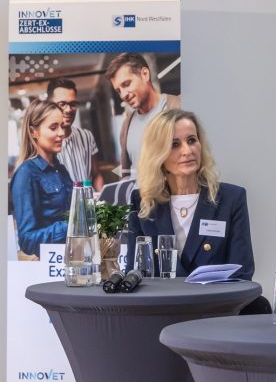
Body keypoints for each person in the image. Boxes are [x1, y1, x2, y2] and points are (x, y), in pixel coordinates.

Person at [125, 109, 254, 281]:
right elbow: (134, 274)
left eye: (192, 140)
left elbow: (242, 274)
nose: (187, 151)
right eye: (175, 144)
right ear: (158, 154)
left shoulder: (231, 198)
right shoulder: (142, 202)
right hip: (159, 306)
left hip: (215, 305)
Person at [10, 100, 73, 259]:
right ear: (33, 132)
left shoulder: (61, 169)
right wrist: (72, 226)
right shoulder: (26, 174)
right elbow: (27, 240)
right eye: (53, 127)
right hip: (50, 266)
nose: (61, 133)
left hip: (71, 258)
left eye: (62, 126)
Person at [106, 53, 181, 180]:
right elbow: (125, 173)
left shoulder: (178, 107)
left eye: (126, 84)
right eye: (118, 90)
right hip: (138, 199)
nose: (123, 95)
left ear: (145, 74)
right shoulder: (127, 126)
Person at [46, 78, 103, 189]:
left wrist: (101, 200)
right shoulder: (45, 145)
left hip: (90, 204)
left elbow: (96, 175)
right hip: (64, 206)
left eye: (72, 104)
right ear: (50, 105)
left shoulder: (87, 136)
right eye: (62, 104)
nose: (68, 110)